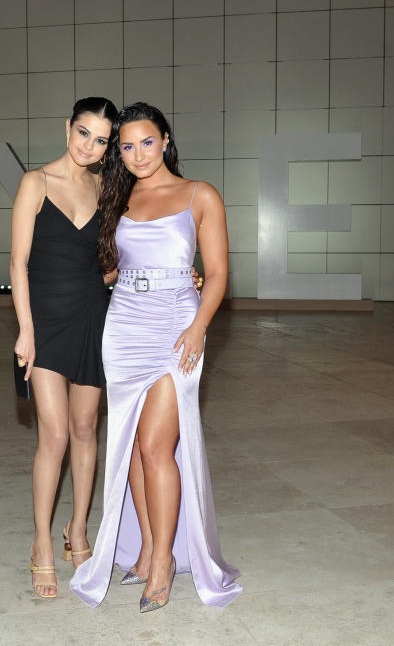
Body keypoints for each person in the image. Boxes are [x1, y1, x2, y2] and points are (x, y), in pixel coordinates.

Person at [70, 102, 242, 612]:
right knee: (129, 447)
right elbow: (105, 271)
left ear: (166, 140)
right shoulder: (116, 198)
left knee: (154, 447)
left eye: (147, 141)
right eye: (126, 146)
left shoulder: (200, 195)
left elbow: (217, 273)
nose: (138, 153)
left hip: (176, 327)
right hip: (123, 324)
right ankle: (146, 549)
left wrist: (199, 326)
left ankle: (164, 561)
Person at [10, 97, 118, 598]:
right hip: (46, 324)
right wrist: (25, 330)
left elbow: (108, 267)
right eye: (83, 133)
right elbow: (18, 263)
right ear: (67, 128)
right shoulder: (35, 182)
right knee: (52, 434)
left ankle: (77, 530)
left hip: (92, 316)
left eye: (100, 140)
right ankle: (41, 544)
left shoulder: (105, 187)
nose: (90, 146)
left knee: (84, 428)